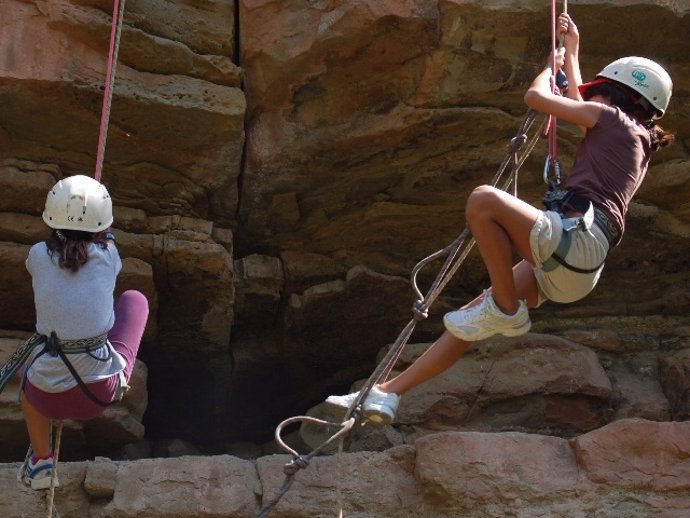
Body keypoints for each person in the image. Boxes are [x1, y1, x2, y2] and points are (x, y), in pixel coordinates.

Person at [326, 13, 675, 425]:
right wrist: (573, 53)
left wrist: (549, 70)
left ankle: (507, 309)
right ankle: (385, 394)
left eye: (601, 91)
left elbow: (537, 100)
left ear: (617, 96)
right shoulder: (630, 134)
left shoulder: (612, 120)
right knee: (472, 318)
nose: (591, 97)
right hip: (580, 265)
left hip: (575, 241)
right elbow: (582, 102)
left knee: (484, 200)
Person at [17, 175, 149, 490]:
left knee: (26, 369)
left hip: (45, 398)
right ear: (102, 224)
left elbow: (59, 259)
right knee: (134, 300)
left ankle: (42, 462)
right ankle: (121, 376)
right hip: (97, 395)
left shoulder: (37, 255)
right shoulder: (109, 256)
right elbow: (106, 245)